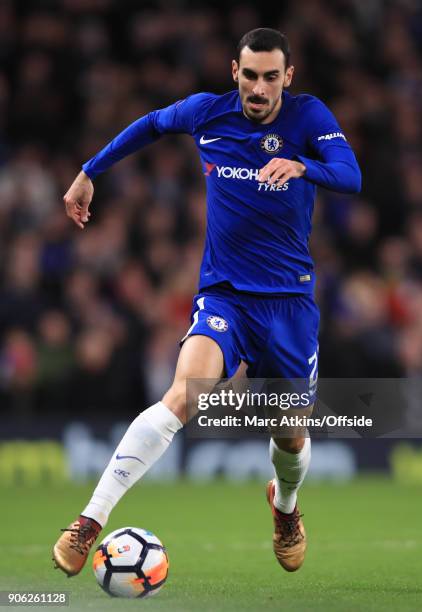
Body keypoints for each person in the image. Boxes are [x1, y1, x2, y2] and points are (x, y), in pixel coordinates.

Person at [53, 28, 361, 576]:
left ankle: (285, 508)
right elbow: (149, 126)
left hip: (289, 303)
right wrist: (88, 173)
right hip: (225, 295)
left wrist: (302, 166)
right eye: (250, 75)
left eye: (271, 77)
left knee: (290, 435)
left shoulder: (309, 118)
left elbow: (350, 175)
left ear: (287, 78)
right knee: (183, 395)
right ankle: (88, 523)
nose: (259, 88)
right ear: (233, 71)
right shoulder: (207, 113)